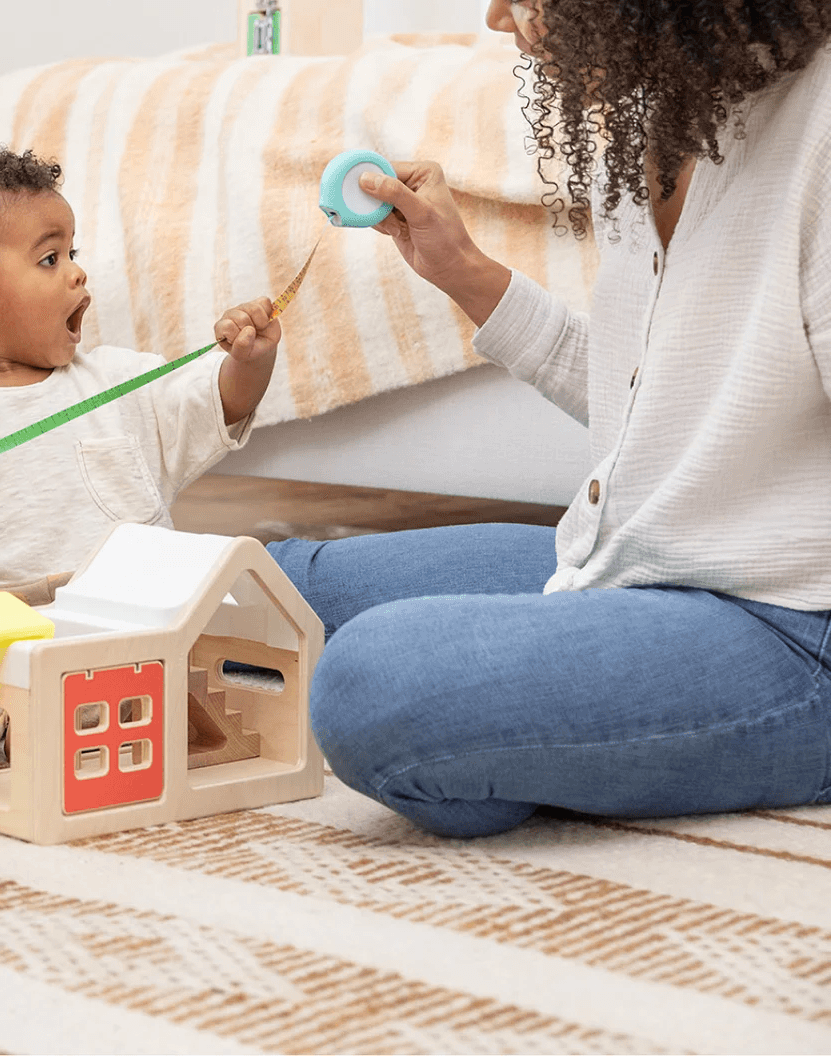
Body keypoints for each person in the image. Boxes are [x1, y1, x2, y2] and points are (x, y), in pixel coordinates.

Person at [262, 0, 831, 837]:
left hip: (793, 632)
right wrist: (462, 272)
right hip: (636, 562)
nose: (497, 17)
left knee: (372, 684)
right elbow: (652, 404)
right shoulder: (666, 123)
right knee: (270, 586)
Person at [0, 147, 281, 783]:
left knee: (196, 609)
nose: (77, 275)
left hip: (116, 614)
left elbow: (222, 402)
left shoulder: (119, 380)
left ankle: (122, 722)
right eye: (49, 258)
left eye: (74, 253)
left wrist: (250, 359)